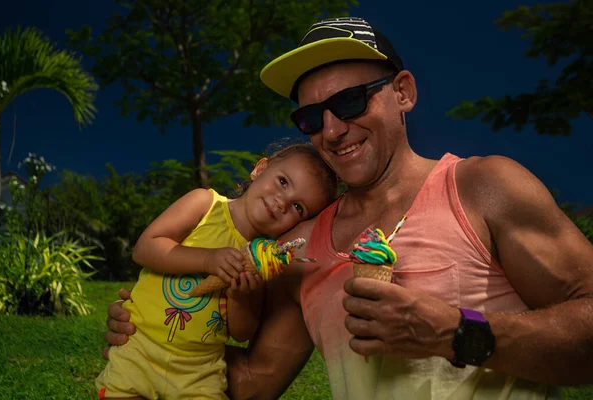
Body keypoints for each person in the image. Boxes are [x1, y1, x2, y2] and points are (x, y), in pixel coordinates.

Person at [105, 17, 593, 399]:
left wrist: (455, 332)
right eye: (311, 117)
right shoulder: (298, 247)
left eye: (352, 100)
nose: (332, 130)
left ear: (403, 92)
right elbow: (252, 382)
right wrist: (153, 340)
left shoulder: (482, 187)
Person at [96, 143, 338, 399]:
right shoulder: (205, 204)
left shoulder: (262, 262)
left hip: (199, 370)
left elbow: (242, 332)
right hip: (140, 347)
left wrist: (240, 297)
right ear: (260, 169)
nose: (282, 202)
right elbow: (145, 248)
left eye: (298, 207)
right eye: (283, 182)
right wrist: (207, 259)